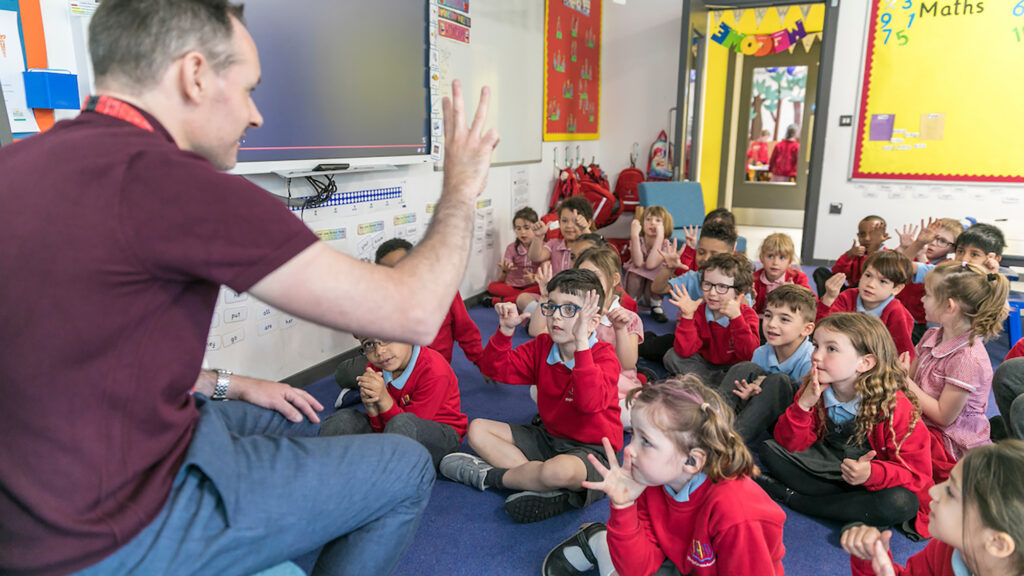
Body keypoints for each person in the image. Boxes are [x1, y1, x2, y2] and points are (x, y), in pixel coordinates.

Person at [0, 1, 499, 574]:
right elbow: (412, 312)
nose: (256, 116)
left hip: (27, 511)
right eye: (248, 89)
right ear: (194, 75)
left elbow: (86, 346)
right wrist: (460, 186)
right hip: (114, 527)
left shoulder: (17, 166)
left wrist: (229, 383)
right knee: (406, 465)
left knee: (301, 416)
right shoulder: (185, 188)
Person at [542, 376, 786, 576]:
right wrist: (624, 506)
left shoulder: (739, 514)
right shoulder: (652, 479)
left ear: (691, 461)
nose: (629, 449)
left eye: (646, 442)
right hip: (684, 563)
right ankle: (598, 541)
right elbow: (638, 569)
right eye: (633, 435)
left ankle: (600, 541)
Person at [440, 269, 622, 523]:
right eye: (552, 306)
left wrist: (581, 344)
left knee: (556, 471)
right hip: (547, 436)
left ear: (593, 322)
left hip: (590, 451)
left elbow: (587, 402)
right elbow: (494, 369)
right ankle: (539, 485)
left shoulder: (604, 357)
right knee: (477, 430)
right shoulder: (543, 346)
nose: (556, 316)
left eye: (570, 310)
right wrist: (504, 333)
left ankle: (490, 477)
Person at [757, 314, 934, 539]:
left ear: (865, 363)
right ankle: (858, 514)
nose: (816, 356)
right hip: (830, 466)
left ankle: (798, 500)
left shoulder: (896, 408)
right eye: (816, 345)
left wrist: (872, 473)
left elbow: (917, 474)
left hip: (871, 482)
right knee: (769, 450)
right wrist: (803, 405)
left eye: (831, 349)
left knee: (901, 503)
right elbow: (790, 443)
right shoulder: (815, 388)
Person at [334, 238, 487, 405]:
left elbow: (465, 330)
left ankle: (376, 393)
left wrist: (482, 362)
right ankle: (380, 391)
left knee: (415, 391)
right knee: (343, 373)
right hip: (392, 362)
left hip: (431, 367)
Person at [842, 440, 1024, 576]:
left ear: (997, 544)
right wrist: (871, 561)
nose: (934, 491)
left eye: (951, 492)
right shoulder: (948, 550)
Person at [903, 262, 1009, 473]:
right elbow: (911, 380)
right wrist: (903, 377)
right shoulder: (931, 335)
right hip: (922, 420)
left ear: (949, 306)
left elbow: (944, 416)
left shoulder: (967, 358)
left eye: (928, 295)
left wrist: (903, 381)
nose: (922, 299)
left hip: (947, 442)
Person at [321, 337, 468, 470]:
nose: (379, 351)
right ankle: (328, 469)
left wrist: (384, 400)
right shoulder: (375, 367)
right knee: (342, 420)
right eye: (369, 344)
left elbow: (408, 427)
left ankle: (378, 473)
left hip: (440, 435)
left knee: (401, 424)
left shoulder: (435, 370)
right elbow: (381, 428)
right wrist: (372, 408)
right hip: (392, 428)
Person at [720, 284, 817, 444]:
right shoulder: (761, 353)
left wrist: (765, 383)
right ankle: (711, 424)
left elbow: (807, 412)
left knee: (779, 381)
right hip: (759, 413)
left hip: (788, 424)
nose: (772, 324)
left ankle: (731, 441)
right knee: (744, 368)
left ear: (806, 329)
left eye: (784, 319)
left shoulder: (811, 362)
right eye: (768, 315)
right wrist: (750, 392)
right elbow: (752, 397)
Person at [662, 253, 760, 385]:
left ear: (738, 291)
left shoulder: (748, 314)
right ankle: (712, 384)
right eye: (707, 284)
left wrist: (736, 318)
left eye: (722, 287)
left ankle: (699, 383)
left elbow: (749, 355)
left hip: (733, 369)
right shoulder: (699, 312)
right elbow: (685, 351)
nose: (712, 293)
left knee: (749, 369)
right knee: (672, 356)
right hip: (704, 365)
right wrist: (687, 317)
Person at [817, 250, 916, 359]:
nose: (870, 284)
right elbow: (822, 328)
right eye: (868, 275)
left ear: (896, 289)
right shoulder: (848, 297)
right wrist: (829, 297)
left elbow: (904, 354)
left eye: (883, 281)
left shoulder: (897, 313)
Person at [895, 218, 962, 343]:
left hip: (919, 324)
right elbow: (895, 269)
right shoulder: (912, 255)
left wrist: (922, 256)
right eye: (932, 237)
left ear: (952, 249)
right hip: (896, 312)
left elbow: (933, 278)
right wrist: (906, 247)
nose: (933, 243)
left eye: (942, 241)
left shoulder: (948, 265)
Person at [812, 215, 889, 298]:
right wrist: (849, 255)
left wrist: (872, 251)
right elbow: (837, 272)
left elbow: (872, 275)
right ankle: (828, 302)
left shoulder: (887, 256)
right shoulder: (857, 253)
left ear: (883, 236)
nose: (867, 238)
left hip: (868, 294)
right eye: (863, 235)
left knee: (863, 280)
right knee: (820, 272)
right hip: (850, 292)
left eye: (873, 234)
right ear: (858, 236)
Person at [623, 206, 673, 323]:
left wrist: (660, 237)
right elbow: (638, 262)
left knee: (658, 271)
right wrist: (634, 236)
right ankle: (632, 303)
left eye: (658, 221)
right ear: (642, 223)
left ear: (664, 225)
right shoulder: (639, 240)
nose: (652, 223)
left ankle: (656, 305)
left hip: (651, 291)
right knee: (635, 269)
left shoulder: (665, 244)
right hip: (636, 288)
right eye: (648, 219)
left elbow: (651, 265)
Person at [484, 206, 541, 309]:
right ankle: (518, 298)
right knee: (492, 286)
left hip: (534, 287)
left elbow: (545, 276)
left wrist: (534, 277)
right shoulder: (511, 248)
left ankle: (500, 301)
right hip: (514, 287)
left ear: (536, 227)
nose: (522, 232)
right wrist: (505, 271)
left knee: (543, 289)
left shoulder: (543, 248)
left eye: (527, 228)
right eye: (518, 228)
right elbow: (501, 280)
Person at [752, 232, 812, 317]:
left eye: (782, 258)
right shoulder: (754, 280)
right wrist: (751, 299)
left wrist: (795, 293)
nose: (775, 262)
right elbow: (751, 311)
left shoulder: (798, 278)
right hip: (761, 320)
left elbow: (810, 304)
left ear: (790, 262)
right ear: (761, 258)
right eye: (770, 256)